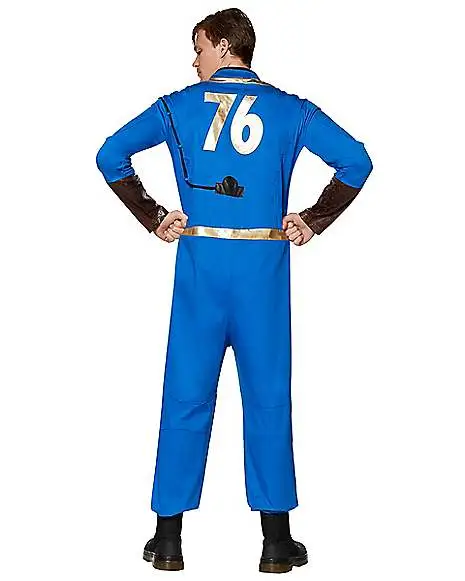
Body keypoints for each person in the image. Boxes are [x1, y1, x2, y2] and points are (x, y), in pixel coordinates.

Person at [96, 7, 373, 574]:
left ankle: (168, 540)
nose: (193, 60)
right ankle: (276, 543)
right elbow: (356, 161)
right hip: (262, 272)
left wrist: (153, 216)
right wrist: (313, 220)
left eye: (198, 48)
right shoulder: (291, 109)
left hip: (201, 269)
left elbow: (109, 155)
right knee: (268, 399)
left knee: (185, 397)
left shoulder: (176, 107)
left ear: (224, 45)